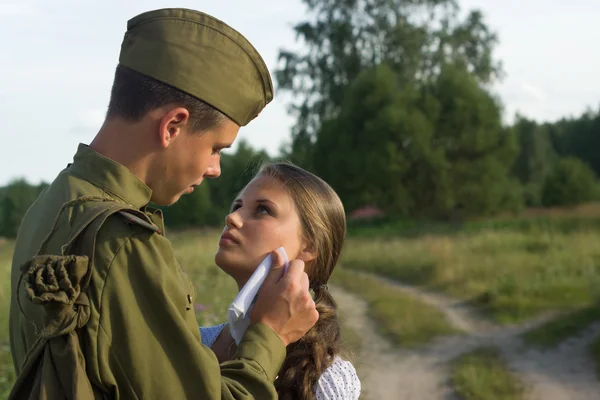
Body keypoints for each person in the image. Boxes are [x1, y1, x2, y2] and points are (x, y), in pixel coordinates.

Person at [8, 8, 318, 400]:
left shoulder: (53, 203)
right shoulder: (121, 241)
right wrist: (271, 334)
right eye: (215, 148)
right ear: (173, 126)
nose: (214, 169)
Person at [200, 162, 361, 400]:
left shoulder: (325, 377)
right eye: (237, 206)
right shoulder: (195, 342)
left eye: (263, 210)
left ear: (310, 245)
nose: (232, 217)